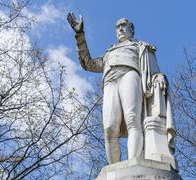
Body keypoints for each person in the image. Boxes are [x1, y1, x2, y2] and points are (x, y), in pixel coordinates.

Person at [67, 14, 176, 164]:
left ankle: (134, 163)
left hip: (130, 74)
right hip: (109, 81)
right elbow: (88, 64)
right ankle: (112, 173)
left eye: (124, 25)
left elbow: (153, 71)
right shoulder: (108, 54)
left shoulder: (140, 47)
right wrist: (80, 35)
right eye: (118, 27)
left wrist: (159, 76)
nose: (121, 28)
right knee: (110, 128)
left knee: (132, 119)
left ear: (132, 29)